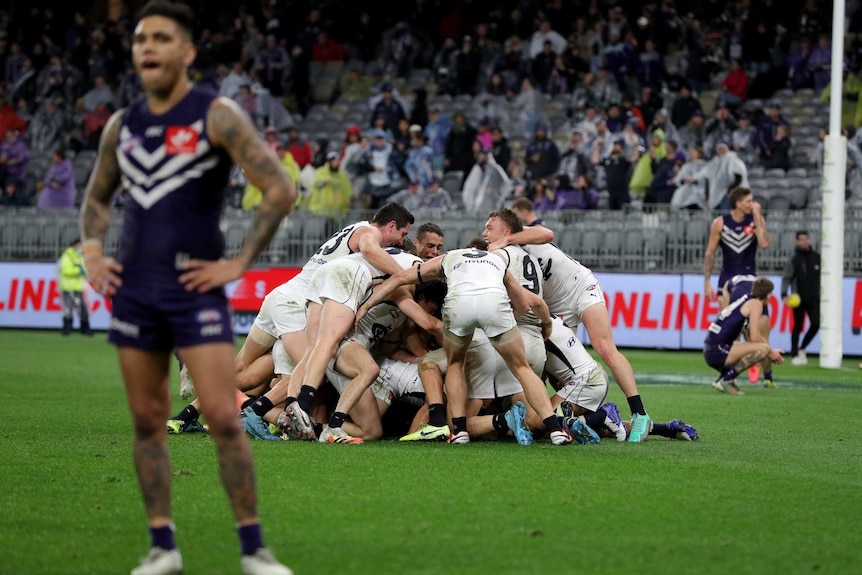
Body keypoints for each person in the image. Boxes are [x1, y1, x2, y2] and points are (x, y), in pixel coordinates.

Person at [78, 3, 296, 574]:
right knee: (148, 419)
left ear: (187, 52)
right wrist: (94, 253)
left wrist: (238, 264)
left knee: (223, 417)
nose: (147, 46)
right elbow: (97, 198)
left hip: (195, 291)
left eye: (161, 38)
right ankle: (162, 547)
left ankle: (254, 550)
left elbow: (279, 188)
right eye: (140, 38)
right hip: (136, 292)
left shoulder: (217, 115)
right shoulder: (121, 126)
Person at [356, 245, 572, 445]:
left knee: (455, 364)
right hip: (494, 304)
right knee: (522, 368)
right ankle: (555, 429)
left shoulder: (448, 258)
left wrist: (366, 306)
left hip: (460, 303)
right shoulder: (498, 262)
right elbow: (524, 304)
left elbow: (399, 278)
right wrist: (503, 324)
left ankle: (459, 431)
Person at [487, 226, 655, 442]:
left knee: (604, 347)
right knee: (562, 367)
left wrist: (508, 238)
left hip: (579, 287)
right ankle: (599, 418)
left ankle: (640, 413)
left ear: (505, 228)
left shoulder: (518, 235)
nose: (485, 232)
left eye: (489, 227)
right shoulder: (505, 256)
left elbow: (547, 234)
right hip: (553, 305)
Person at [278, 205, 416, 441]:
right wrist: (403, 278)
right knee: (328, 343)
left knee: (314, 349)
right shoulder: (369, 232)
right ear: (391, 225)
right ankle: (302, 404)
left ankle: (292, 407)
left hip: (318, 279)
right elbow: (370, 250)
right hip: (339, 279)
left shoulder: (353, 228)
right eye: (402, 234)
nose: (401, 241)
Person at [704, 278, 784, 394]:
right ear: (766, 294)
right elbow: (755, 337)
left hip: (711, 349)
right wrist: (771, 351)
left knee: (755, 347)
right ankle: (728, 380)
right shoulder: (756, 304)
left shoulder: (746, 299)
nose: (771, 297)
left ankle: (720, 379)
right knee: (764, 349)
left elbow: (749, 336)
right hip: (717, 351)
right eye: (770, 293)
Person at [704, 187, 771, 302]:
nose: (753, 204)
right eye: (749, 201)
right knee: (725, 318)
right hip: (727, 276)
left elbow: (764, 243)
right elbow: (710, 254)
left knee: (749, 318)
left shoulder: (756, 221)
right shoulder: (720, 223)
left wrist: (758, 218)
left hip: (749, 276)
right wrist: (707, 282)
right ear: (739, 204)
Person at [720, 274, 778, 388]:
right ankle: (768, 379)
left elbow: (725, 314)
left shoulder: (731, 282)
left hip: (737, 303)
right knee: (763, 342)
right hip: (754, 300)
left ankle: (728, 376)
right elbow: (756, 338)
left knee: (733, 343)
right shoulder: (759, 287)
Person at [782, 231, 821, 366]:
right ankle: (794, 354)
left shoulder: (817, 257)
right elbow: (787, 278)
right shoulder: (794, 259)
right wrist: (784, 294)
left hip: (814, 298)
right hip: (798, 298)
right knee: (797, 326)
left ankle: (802, 347)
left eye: (806, 239)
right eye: (801, 239)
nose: (804, 242)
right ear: (797, 241)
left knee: (816, 324)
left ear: (809, 240)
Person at [57, 238, 91, 336]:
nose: (82, 248)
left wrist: (85, 273)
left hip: (78, 287)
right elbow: (65, 271)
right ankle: (67, 329)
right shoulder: (67, 256)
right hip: (68, 287)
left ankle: (84, 329)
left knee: (82, 309)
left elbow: (85, 270)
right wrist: (78, 271)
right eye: (80, 245)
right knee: (68, 309)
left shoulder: (80, 256)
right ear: (75, 245)